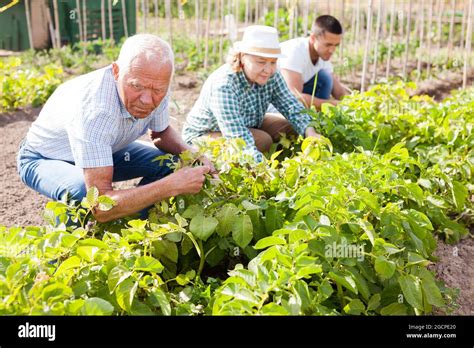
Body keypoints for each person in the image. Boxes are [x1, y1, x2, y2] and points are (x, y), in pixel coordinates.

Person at [17, 34, 215, 223]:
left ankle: (133, 230)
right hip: (44, 158)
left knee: (170, 164)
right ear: (116, 72)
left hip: (107, 149)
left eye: (157, 90)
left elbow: (160, 133)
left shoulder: (155, 83)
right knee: (84, 194)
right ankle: (64, 251)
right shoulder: (96, 110)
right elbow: (100, 205)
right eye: (136, 86)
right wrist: (171, 186)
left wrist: (194, 154)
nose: (147, 99)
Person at [182, 25, 320, 162]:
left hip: (248, 124)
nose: (268, 69)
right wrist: (266, 173)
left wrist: (310, 132)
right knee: (263, 140)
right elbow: (237, 136)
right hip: (204, 135)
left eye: (273, 62)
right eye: (261, 62)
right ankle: (246, 169)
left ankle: (282, 160)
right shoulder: (224, 84)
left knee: (290, 126)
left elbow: (290, 105)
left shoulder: (272, 75)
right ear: (242, 57)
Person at [278, 15, 349, 110]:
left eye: (336, 45)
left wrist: (357, 103)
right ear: (312, 38)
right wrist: (332, 105)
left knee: (326, 78)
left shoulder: (322, 54)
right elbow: (295, 97)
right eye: (328, 45)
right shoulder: (296, 52)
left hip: (293, 98)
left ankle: (318, 118)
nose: (332, 50)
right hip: (273, 103)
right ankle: (315, 118)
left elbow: (339, 92)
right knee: (324, 79)